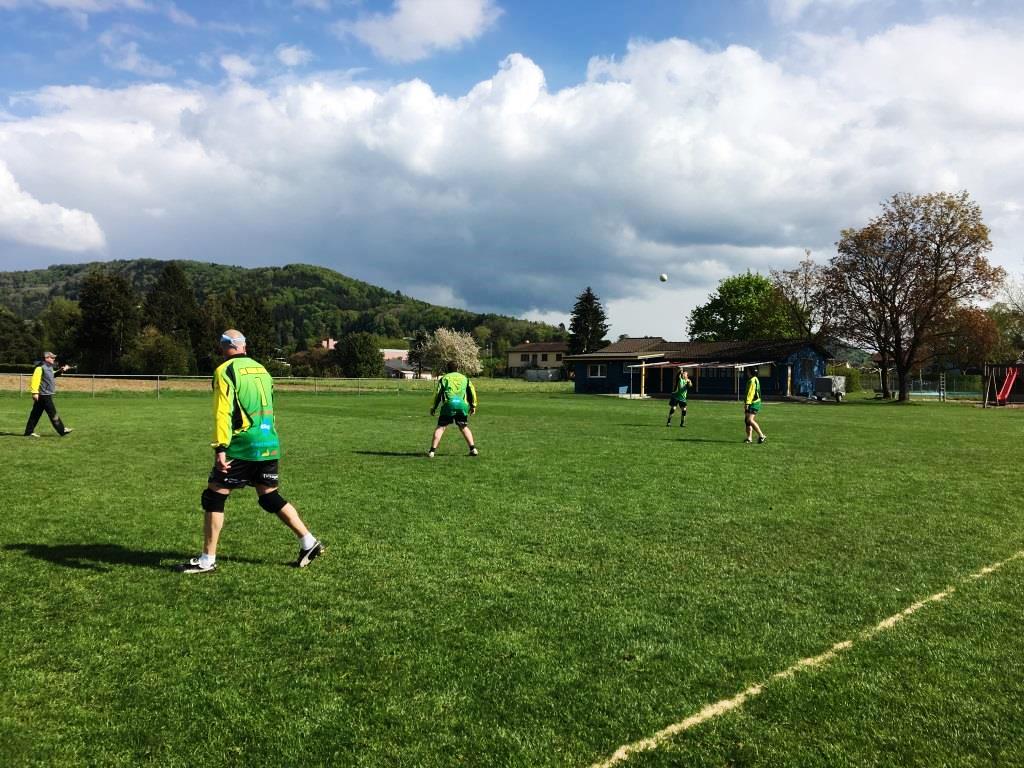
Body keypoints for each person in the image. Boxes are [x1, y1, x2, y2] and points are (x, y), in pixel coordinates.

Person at [177, 330, 323, 574]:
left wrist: (220, 447)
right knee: (269, 496)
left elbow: (223, 412)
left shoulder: (225, 370)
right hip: (268, 441)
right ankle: (308, 542)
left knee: (214, 496)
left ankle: (207, 560)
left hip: (242, 444)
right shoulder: (262, 370)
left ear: (225, 347)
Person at [428, 361, 479, 457]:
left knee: (441, 427)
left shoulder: (444, 378)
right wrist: (473, 406)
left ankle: (432, 451)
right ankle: (473, 449)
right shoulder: (465, 378)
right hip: (462, 405)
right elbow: (472, 392)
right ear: (457, 369)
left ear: (447, 369)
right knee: (463, 427)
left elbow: (437, 394)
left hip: (449, 404)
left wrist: (433, 407)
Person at [24, 351, 73, 437]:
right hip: (44, 395)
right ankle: (62, 430)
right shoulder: (40, 368)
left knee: (35, 414)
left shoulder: (49, 367)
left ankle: (28, 432)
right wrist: (35, 392)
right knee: (52, 413)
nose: (54, 359)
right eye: (52, 357)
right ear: (46, 358)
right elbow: (35, 380)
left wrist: (61, 370)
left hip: (45, 394)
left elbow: (52, 375)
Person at [743, 367, 767, 444]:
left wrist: (747, 403)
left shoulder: (752, 381)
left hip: (754, 403)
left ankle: (761, 435)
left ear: (750, 372)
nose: (747, 372)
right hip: (753, 402)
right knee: (747, 421)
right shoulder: (755, 379)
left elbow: (751, 393)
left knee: (750, 420)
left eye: (748, 371)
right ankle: (749, 438)